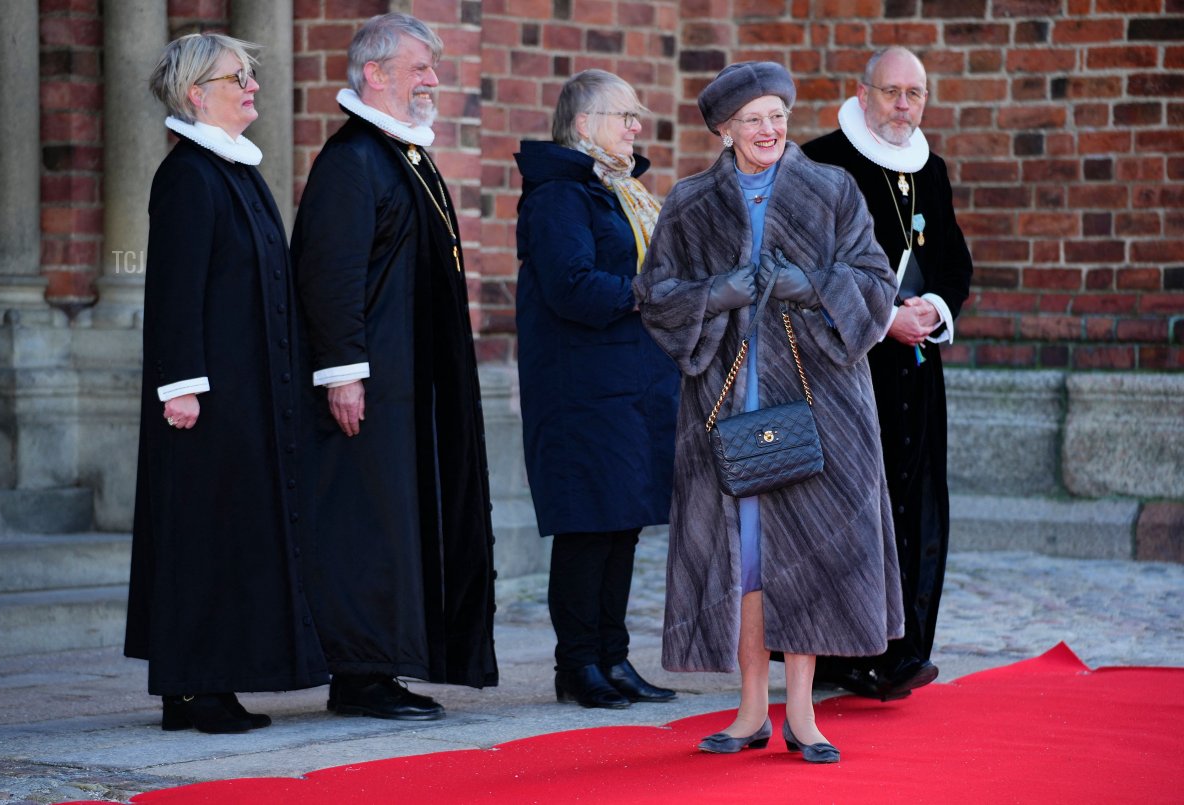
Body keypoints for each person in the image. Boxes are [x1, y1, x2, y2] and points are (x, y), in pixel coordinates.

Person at [634, 62, 903, 762]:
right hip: (727, 406)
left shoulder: (832, 190)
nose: (769, 130)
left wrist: (812, 286)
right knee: (747, 560)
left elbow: (876, 285)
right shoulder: (691, 204)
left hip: (820, 403)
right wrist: (716, 294)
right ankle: (753, 708)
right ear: (725, 129)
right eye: (753, 119)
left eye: (777, 116)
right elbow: (655, 295)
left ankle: (804, 713)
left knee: (811, 549)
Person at [291, 13, 498, 721]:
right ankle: (359, 674)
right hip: (368, 388)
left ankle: (388, 662)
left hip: (410, 387)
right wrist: (342, 372)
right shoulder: (352, 161)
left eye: (434, 67)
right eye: (419, 68)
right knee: (367, 528)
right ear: (374, 73)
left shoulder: (402, 154)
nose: (433, 80)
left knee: (398, 527)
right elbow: (330, 273)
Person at [125, 33, 329, 734]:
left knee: (231, 535)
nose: (252, 86)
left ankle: (210, 681)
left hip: (247, 392)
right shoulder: (187, 176)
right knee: (199, 537)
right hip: (203, 398)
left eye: (251, 75)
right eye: (236, 77)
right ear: (195, 93)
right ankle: (191, 687)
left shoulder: (236, 170)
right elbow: (175, 290)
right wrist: (180, 384)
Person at [802, 46, 974, 701]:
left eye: (915, 93)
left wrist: (933, 308)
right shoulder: (822, 162)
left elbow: (954, 262)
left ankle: (904, 648)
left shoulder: (931, 169)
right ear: (863, 92)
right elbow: (810, 269)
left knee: (916, 501)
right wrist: (881, 320)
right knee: (851, 509)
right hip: (847, 366)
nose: (904, 105)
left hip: (917, 368)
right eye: (892, 91)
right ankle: (845, 651)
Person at [513, 70, 680, 710]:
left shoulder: (620, 191)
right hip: (581, 391)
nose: (636, 127)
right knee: (588, 527)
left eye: (637, 116)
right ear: (584, 125)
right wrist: (652, 294)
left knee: (622, 526)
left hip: (631, 385)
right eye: (624, 116)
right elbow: (573, 287)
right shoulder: (561, 195)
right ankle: (577, 665)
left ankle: (614, 656)